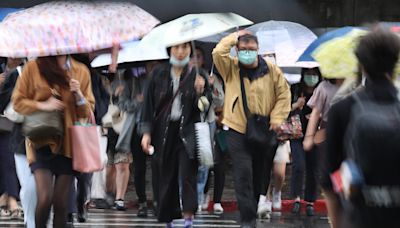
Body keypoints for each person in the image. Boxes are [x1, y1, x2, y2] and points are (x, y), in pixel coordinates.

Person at [212, 31, 291, 228]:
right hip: (237, 128)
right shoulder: (231, 67)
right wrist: (234, 37)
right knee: (243, 172)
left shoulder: (272, 70)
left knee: (259, 174)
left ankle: (253, 208)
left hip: (264, 129)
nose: (247, 53)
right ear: (237, 51)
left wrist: (277, 118)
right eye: (243, 49)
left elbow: (283, 93)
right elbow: (218, 53)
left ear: (258, 50)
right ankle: (247, 220)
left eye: (251, 49)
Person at [325, 29, 400, 228]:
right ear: (395, 62)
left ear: (362, 65)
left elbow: (331, 182)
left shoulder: (342, 110)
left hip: (360, 219)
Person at [12, 56, 95, 228]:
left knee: (61, 202)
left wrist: (78, 94)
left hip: (68, 145)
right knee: (45, 198)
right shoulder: (33, 67)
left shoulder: (80, 71)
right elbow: (18, 102)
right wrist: (44, 105)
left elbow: (88, 112)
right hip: (40, 140)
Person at [140, 42, 211, 228]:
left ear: (190, 50)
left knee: (188, 173)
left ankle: (189, 218)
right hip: (163, 132)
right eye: (176, 48)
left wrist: (200, 92)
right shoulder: (158, 73)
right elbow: (147, 105)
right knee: (165, 174)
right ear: (170, 49)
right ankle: (168, 218)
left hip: (188, 131)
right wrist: (146, 133)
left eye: (185, 48)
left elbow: (205, 107)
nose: (180, 52)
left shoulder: (198, 74)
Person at [191, 47, 225, 213]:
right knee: (187, 160)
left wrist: (212, 87)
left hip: (207, 122)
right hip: (189, 123)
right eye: (193, 56)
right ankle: (185, 197)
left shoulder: (211, 77)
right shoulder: (182, 76)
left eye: (198, 56)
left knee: (204, 162)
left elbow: (219, 102)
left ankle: (197, 198)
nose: (195, 59)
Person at [288, 68, 322, 216]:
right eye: (308, 74)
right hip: (297, 133)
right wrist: (296, 105)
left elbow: (330, 110)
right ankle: (296, 198)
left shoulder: (322, 90)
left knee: (313, 168)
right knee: (299, 165)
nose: (311, 77)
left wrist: (317, 115)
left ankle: (310, 201)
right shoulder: (295, 89)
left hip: (316, 135)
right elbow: (282, 110)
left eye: (314, 74)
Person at [104, 70, 134, 211]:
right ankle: (109, 194)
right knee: (109, 167)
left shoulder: (134, 81)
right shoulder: (103, 81)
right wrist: (112, 94)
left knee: (122, 164)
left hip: (125, 127)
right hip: (109, 129)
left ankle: (119, 199)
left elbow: (138, 102)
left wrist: (124, 96)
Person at [0, 58, 25, 221]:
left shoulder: (24, 72)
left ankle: (10, 199)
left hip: (11, 124)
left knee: (9, 162)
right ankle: (6, 199)